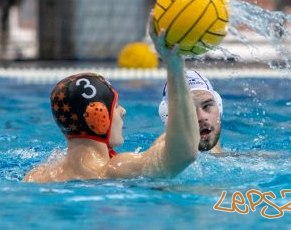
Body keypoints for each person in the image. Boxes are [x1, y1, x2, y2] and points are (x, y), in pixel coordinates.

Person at [23, 30, 200, 182]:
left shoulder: (38, 176)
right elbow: (184, 154)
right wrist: (175, 67)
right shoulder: (114, 171)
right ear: (98, 117)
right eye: (116, 106)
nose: (123, 111)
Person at [154, 70, 223, 153]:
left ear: (219, 108)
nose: (202, 117)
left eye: (207, 106)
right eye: (188, 110)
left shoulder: (235, 160)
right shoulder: (156, 163)